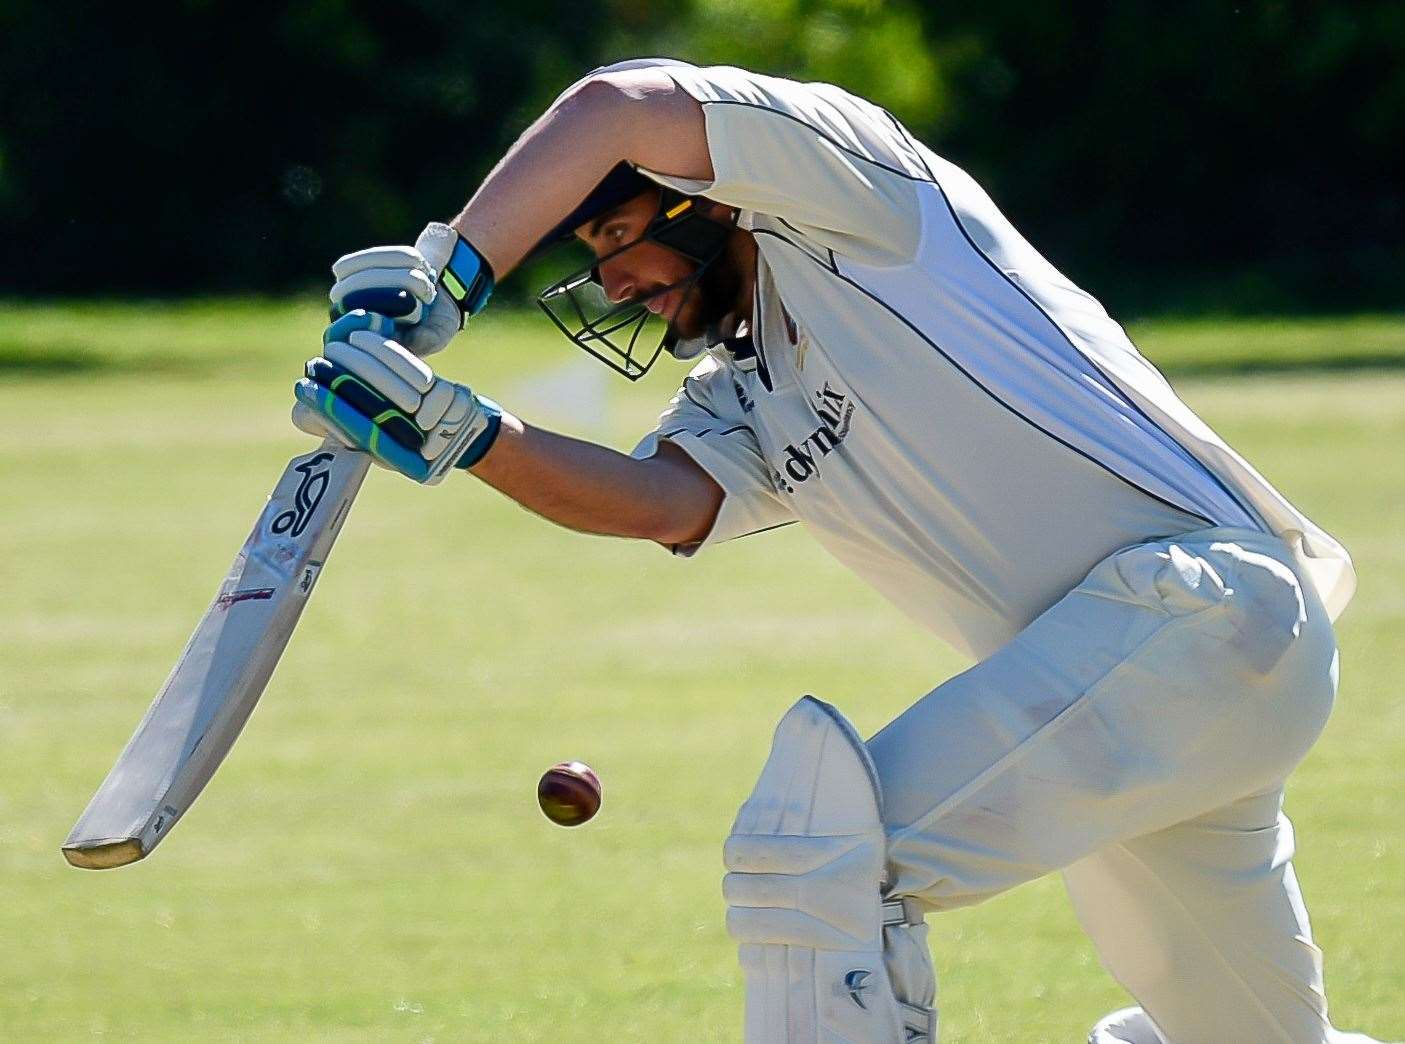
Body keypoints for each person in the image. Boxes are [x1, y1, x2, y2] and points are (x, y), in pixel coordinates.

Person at [291, 59, 1379, 1043]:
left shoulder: (855, 200)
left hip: (1202, 619)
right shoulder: (743, 388)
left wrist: (451, 275)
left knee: (816, 858)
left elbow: (613, 108)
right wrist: (463, 434)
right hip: (1154, 688)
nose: (614, 283)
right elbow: (659, 502)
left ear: (704, 197)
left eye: (618, 237)